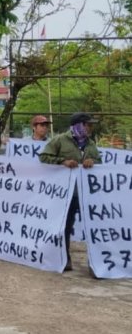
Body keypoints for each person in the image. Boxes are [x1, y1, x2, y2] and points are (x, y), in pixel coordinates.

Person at [39, 112, 101, 272]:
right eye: (88, 125)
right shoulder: (59, 140)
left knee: (93, 227)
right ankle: (65, 259)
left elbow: (100, 163)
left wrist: (92, 162)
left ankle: (96, 263)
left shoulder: (91, 144)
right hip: (67, 194)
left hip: (87, 194)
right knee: (66, 226)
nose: (90, 128)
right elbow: (44, 157)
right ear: (79, 125)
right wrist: (63, 162)